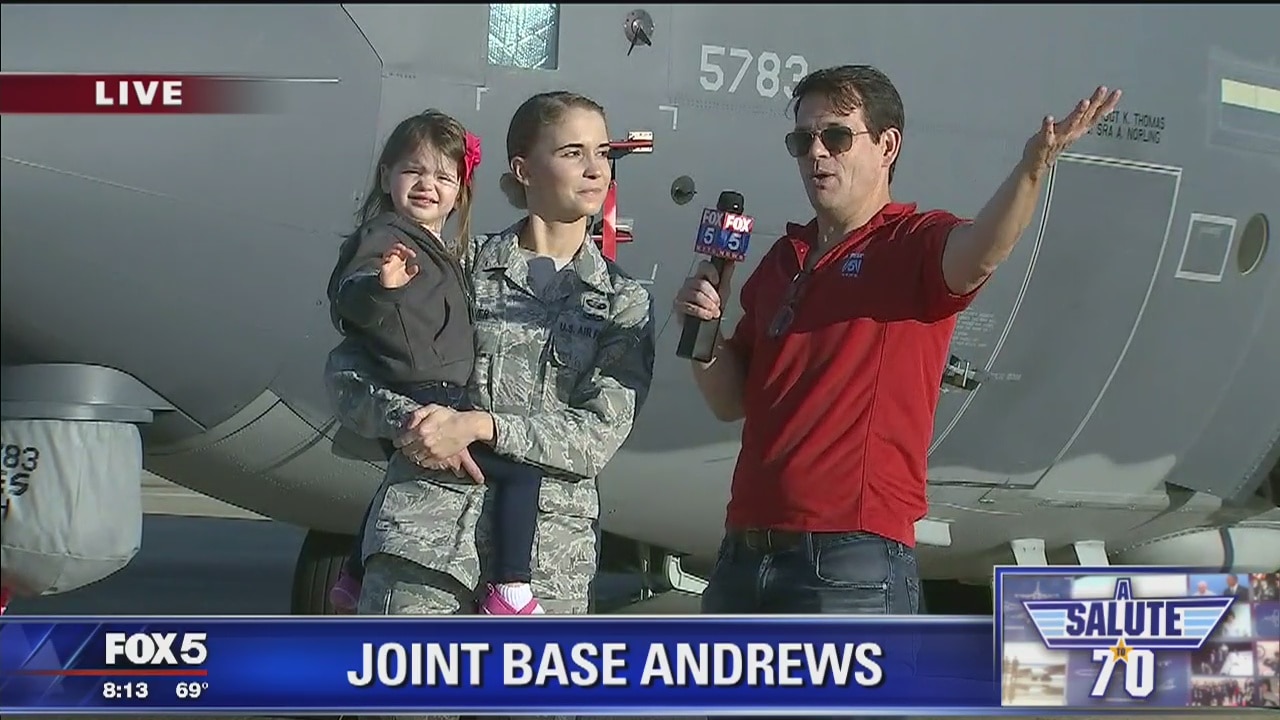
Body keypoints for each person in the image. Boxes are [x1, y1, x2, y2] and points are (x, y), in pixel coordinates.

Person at [674, 65, 1122, 616]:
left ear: (887, 146)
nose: (817, 154)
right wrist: (705, 329)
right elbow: (729, 401)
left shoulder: (911, 244)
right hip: (744, 556)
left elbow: (983, 249)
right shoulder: (783, 260)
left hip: (849, 561)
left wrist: (1031, 170)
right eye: (802, 140)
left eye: (836, 136)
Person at [325, 90, 655, 632]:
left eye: (603, 153)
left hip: (544, 574)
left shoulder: (622, 302)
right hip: (423, 555)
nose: (596, 169)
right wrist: (415, 424)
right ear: (523, 170)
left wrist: (481, 427)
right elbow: (349, 375)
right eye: (573, 152)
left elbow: (598, 434)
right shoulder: (451, 268)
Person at [324, 109, 553, 615]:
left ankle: (354, 575)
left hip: (431, 387)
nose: (428, 185)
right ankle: (511, 587)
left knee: (399, 472)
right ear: (386, 175)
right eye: (414, 171)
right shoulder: (387, 238)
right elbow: (349, 296)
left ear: (459, 193)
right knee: (520, 472)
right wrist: (381, 288)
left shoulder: (440, 249)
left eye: (444, 177)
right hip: (424, 389)